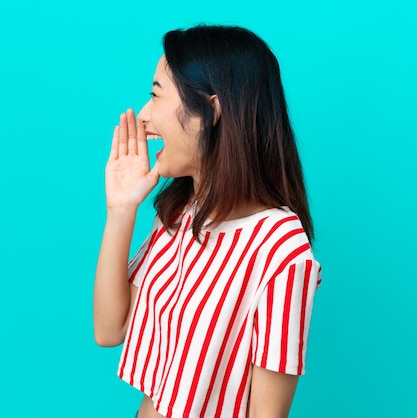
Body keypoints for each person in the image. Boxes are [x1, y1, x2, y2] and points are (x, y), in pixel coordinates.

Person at [93, 24, 321, 418]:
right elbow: (110, 330)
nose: (143, 115)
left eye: (156, 94)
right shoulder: (183, 213)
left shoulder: (282, 251)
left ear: (210, 112)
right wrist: (120, 210)